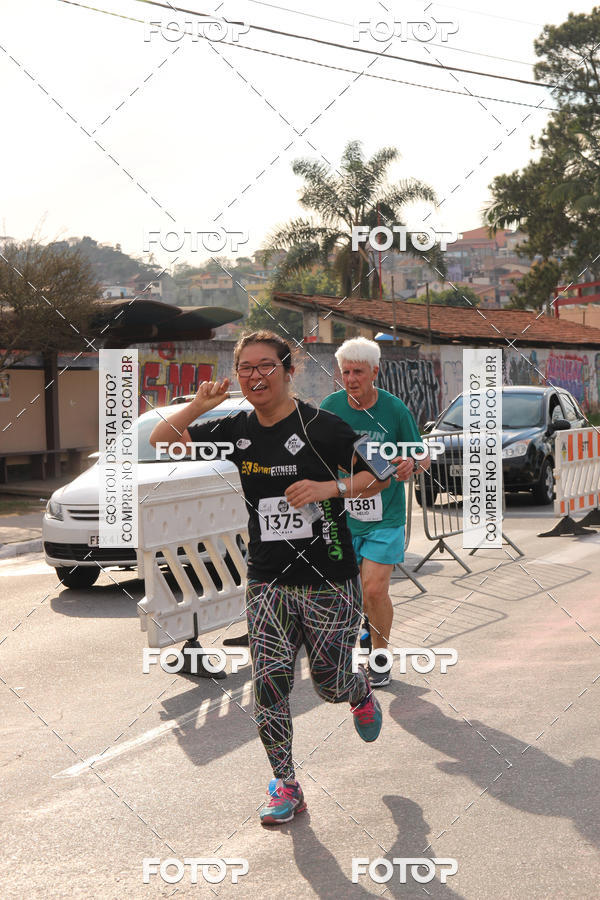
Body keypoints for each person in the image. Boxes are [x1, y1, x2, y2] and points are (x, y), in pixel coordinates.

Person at [149, 330, 389, 826]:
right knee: (270, 684)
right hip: (267, 579)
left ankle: (356, 687)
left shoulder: (326, 427)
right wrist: (197, 406)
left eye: (265, 366)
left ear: (288, 369)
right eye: (245, 368)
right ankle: (286, 784)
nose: (255, 376)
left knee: (327, 684)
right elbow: (161, 441)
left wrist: (329, 487)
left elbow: (378, 475)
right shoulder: (236, 428)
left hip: (328, 576)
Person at [321, 337, 430, 688]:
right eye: (346, 372)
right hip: (342, 515)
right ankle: (367, 632)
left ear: (375, 373)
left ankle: (379, 658)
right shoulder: (331, 406)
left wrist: (411, 462)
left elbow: (422, 455)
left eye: (358, 372)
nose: (351, 379)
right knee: (347, 593)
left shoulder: (395, 410)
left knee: (374, 589)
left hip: (386, 514)